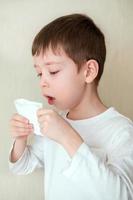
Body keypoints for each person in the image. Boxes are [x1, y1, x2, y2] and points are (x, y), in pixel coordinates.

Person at [9, 13, 133, 200]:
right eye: (39, 74)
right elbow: (22, 166)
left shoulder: (120, 130)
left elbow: (121, 195)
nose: (43, 82)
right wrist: (21, 139)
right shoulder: (54, 123)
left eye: (53, 71)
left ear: (89, 71)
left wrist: (67, 136)